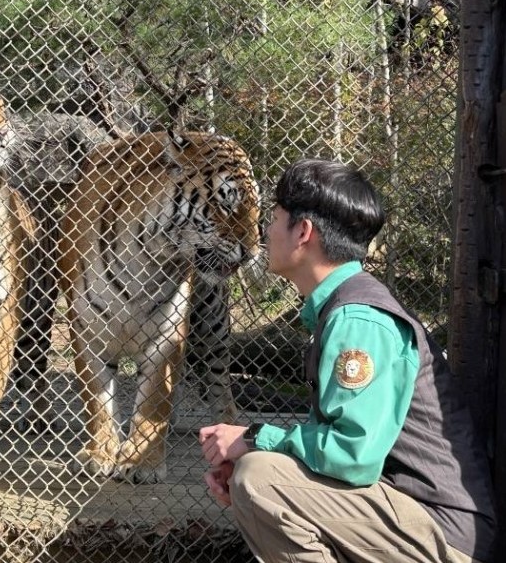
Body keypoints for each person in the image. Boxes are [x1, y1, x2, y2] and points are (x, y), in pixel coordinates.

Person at [199, 158, 496, 563]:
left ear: (303, 232)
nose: (263, 231)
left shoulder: (358, 319)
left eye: (273, 217)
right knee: (259, 476)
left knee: (260, 477)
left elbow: (351, 456)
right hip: (409, 517)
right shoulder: (342, 309)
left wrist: (253, 439)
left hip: (442, 535)